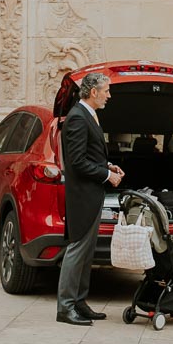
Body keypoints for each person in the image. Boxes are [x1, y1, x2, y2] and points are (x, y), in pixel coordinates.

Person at [57, 72, 125, 326]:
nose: (109, 95)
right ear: (93, 92)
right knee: (77, 250)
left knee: (86, 253)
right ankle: (65, 307)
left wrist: (108, 166)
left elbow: (89, 154)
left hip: (92, 195)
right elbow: (76, 162)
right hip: (82, 197)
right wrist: (107, 175)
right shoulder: (77, 117)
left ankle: (79, 302)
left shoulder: (89, 115)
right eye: (106, 91)